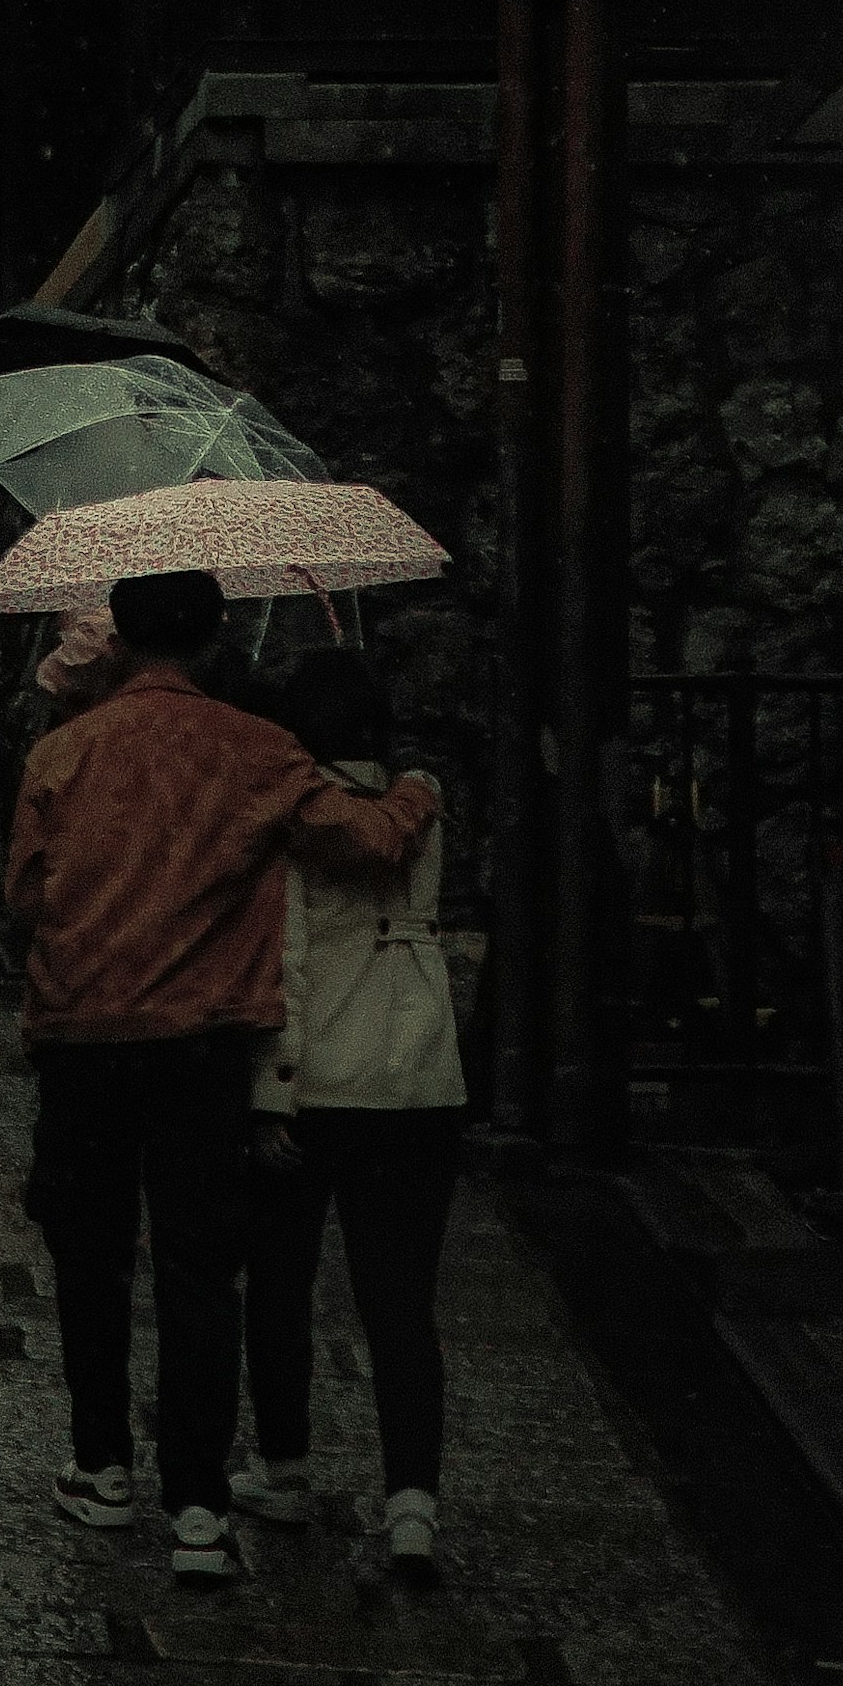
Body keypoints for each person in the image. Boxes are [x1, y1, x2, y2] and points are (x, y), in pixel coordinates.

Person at [2, 570, 437, 1584]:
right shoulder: (256, 751)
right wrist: (419, 789)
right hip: (199, 1047)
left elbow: (24, 896)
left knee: (91, 1256)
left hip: (84, 1035)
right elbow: (368, 838)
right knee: (201, 1271)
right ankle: (197, 1503)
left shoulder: (64, 752)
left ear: (121, 641)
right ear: (215, 639)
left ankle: (102, 1463)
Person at [235, 649, 467, 1573]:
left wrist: (268, 1094)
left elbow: (287, 960)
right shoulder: (424, 807)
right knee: (401, 1301)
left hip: (317, 1081)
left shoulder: (296, 825)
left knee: (283, 1288)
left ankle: (284, 1466)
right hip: (417, 1081)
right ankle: (412, 1502)